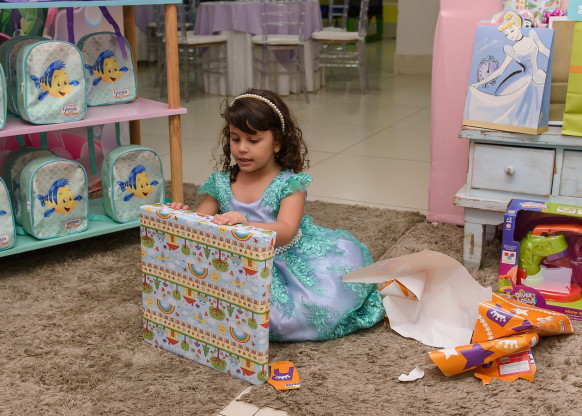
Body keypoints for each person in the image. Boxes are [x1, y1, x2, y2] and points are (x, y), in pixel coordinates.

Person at [168, 89, 385, 342]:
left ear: (277, 142)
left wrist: (247, 224)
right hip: (234, 261)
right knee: (201, 303)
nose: (242, 149)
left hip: (281, 259)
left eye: (253, 140)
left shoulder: (289, 184)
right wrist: (181, 217)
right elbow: (201, 223)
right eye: (235, 139)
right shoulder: (221, 182)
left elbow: (286, 230)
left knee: (295, 314)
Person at [464, 10, 550, 128]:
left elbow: (546, 51)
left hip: (539, 78)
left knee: (536, 111)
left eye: (512, 30)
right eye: (507, 34)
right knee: (517, 111)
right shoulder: (512, 49)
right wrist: (479, 83)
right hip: (526, 81)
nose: (510, 35)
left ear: (519, 26)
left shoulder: (532, 36)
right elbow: (500, 71)